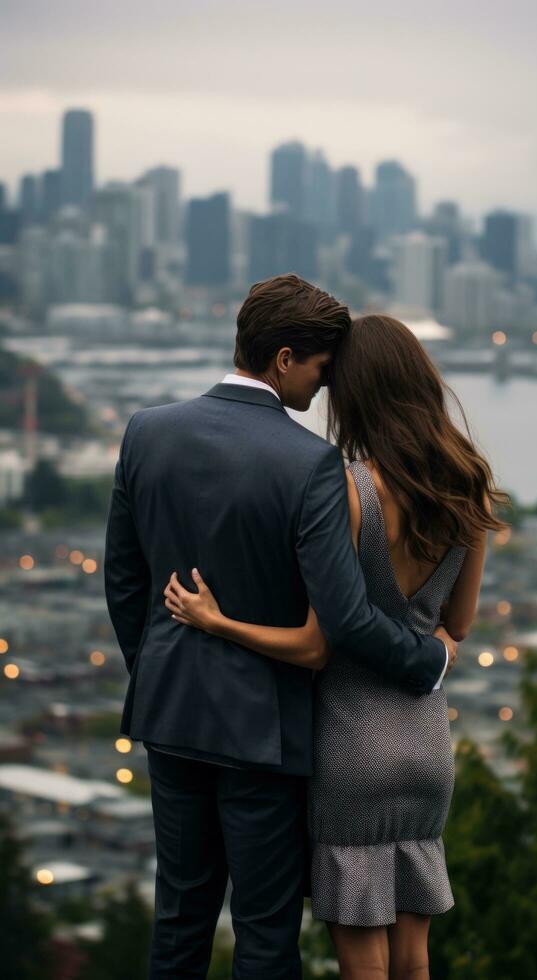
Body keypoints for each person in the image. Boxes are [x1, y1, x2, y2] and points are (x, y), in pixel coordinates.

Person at [104, 278, 454, 980]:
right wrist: (427, 663)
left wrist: (162, 669)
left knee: (179, 918)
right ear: (287, 358)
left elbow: (124, 580)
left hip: (170, 716)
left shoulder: (148, 430)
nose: (324, 390)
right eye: (322, 371)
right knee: (264, 934)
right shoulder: (308, 463)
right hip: (263, 729)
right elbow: (347, 616)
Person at [163, 313, 510, 979]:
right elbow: (458, 625)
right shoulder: (466, 481)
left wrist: (218, 622)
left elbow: (316, 642)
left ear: (357, 394)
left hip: (350, 742)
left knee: (363, 965)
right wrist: (428, 639)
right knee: (414, 959)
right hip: (425, 744)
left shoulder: (348, 489)